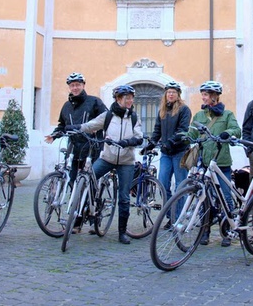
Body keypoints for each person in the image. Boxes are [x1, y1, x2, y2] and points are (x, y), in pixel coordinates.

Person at [77, 85, 144, 245]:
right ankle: (91, 207)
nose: (130, 100)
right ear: (118, 99)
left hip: (126, 161)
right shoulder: (108, 116)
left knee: (124, 197)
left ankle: (122, 232)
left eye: (131, 97)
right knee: (89, 177)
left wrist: (129, 141)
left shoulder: (134, 117)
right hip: (107, 158)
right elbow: (90, 125)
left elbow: (139, 136)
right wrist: (75, 128)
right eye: (126, 97)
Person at [186, 81, 241, 247]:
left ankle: (227, 232)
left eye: (206, 95)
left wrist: (228, 133)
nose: (203, 97)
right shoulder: (199, 116)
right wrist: (183, 136)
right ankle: (205, 232)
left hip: (221, 163)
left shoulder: (227, 114)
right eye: (202, 94)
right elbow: (192, 131)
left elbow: (236, 130)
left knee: (225, 198)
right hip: (204, 164)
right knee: (205, 199)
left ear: (215, 97)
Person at [44, 72, 107, 186]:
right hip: (73, 147)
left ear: (83, 85)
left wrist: (97, 130)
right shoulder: (66, 106)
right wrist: (54, 135)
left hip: (92, 146)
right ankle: (75, 203)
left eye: (78, 85)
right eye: (72, 85)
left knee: (90, 180)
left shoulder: (94, 102)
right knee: (71, 180)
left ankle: (91, 202)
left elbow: (106, 119)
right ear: (69, 87)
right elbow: (62, 125)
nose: (75, 88)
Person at [150, 81, 192, 228]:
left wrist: (171, 142)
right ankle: (170, 215)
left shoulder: (184, 110)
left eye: (173, 92)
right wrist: (151, 143)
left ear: (178, 95)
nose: (171, 94)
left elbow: (183, 130)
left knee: (180, 186)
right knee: (162, 183)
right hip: (166, 153)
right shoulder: (162, 110)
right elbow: (157, 129)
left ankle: (178, 218)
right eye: (168, 92)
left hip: (180, 152)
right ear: (165, 94)